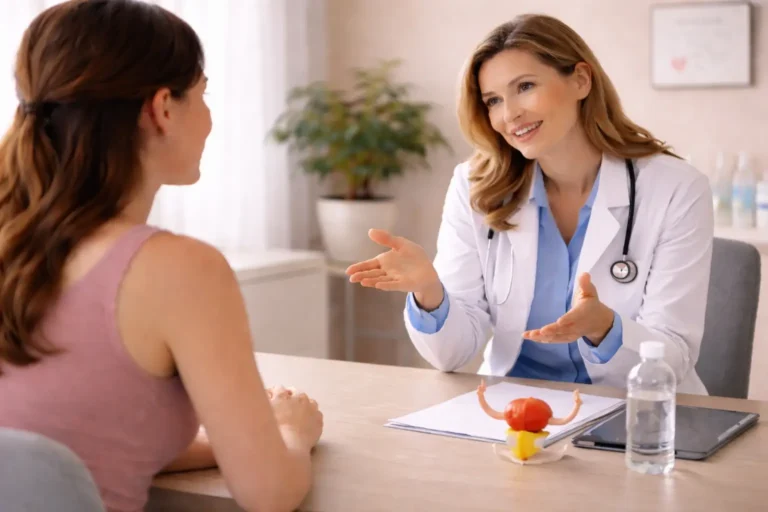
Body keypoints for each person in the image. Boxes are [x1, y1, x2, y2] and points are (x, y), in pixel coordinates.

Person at [0, 2, 322, 511]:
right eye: (203, 94)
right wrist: (290, 432)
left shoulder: (14, 244)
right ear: (162, 109)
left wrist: (230, 442)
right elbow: (270, 493)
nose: (211, 116)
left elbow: (66, 435)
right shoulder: (178, 270)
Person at [346, 14, 713, 395]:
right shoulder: (476, 188)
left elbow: (675, 353)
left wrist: (604, 326)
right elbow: (450, 356)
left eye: (525, 86)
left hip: (637, 415)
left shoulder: (676, 189)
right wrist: (428, 290)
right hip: (516, 413)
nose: (509, 115)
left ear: (581, 80)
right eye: (493, 100)